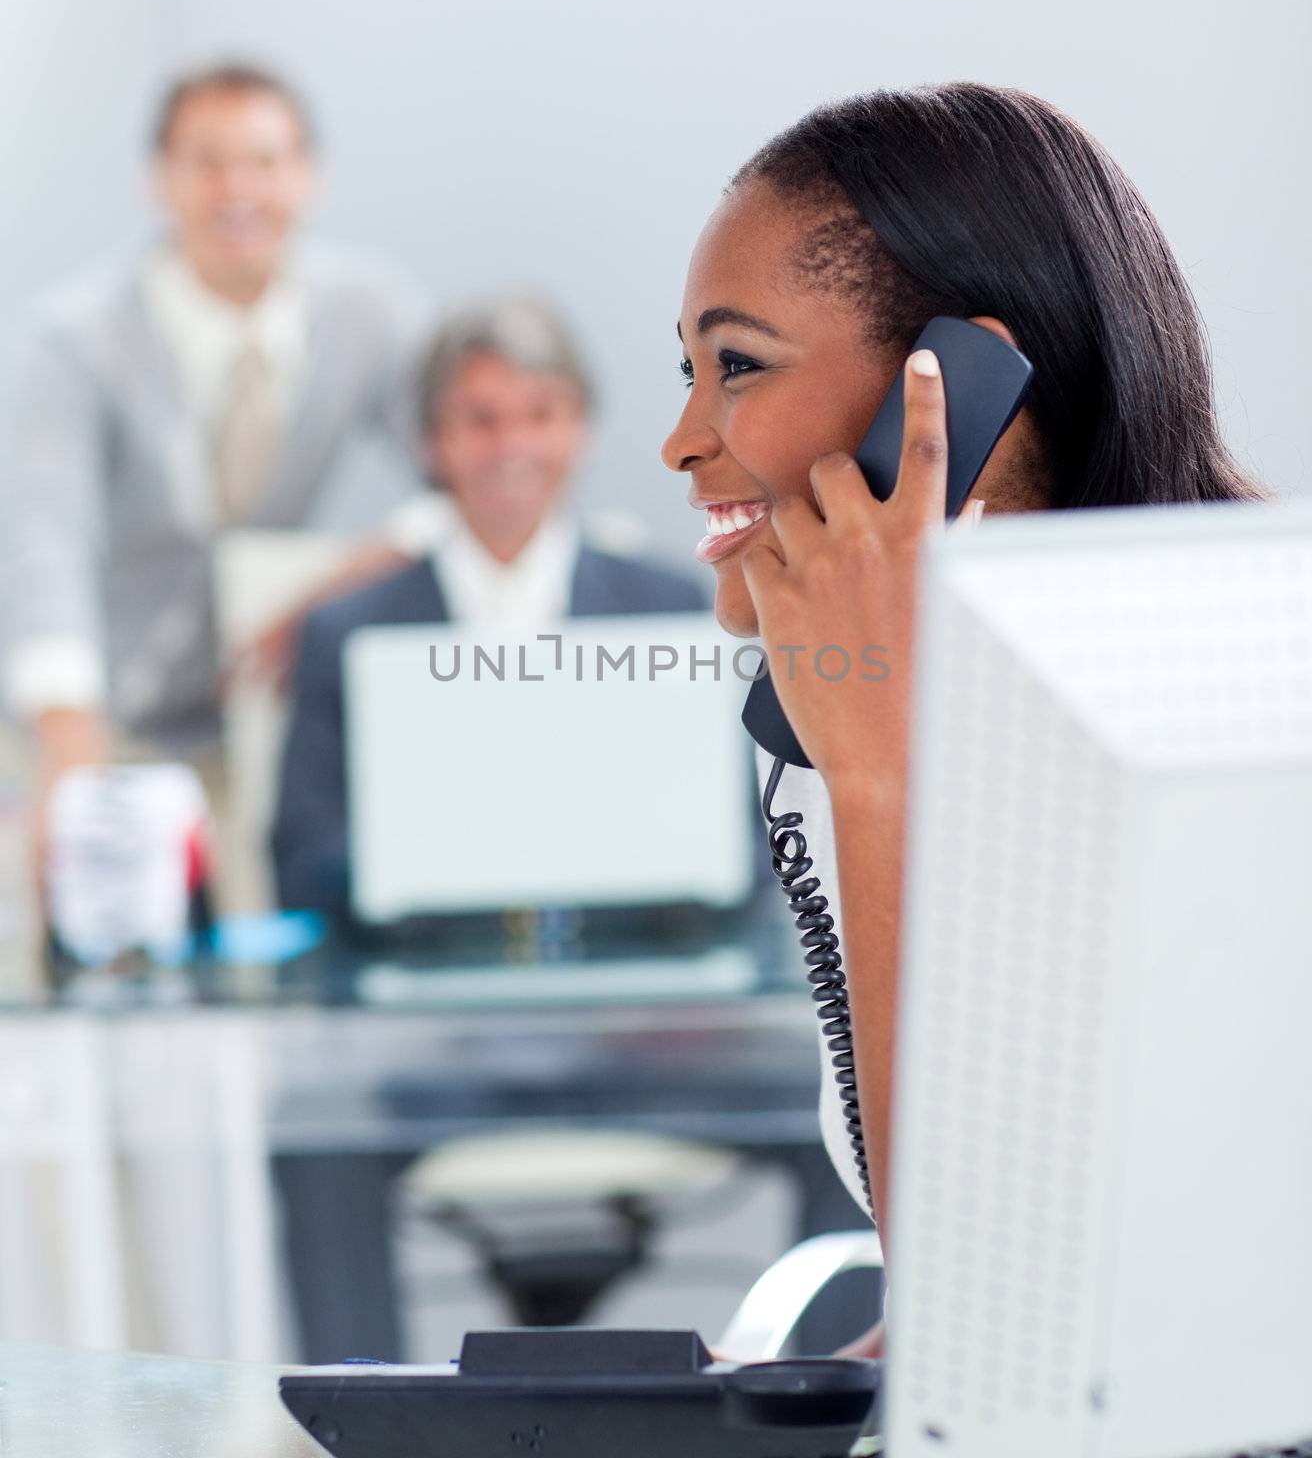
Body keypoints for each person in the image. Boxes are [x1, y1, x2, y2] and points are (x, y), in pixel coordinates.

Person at [661, 81, 1268, 1353]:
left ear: (946, 394)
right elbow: (981, 1297)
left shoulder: (1219, 738)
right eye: (689, 371)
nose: (679, 440)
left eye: (737, 367)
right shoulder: (878, 733)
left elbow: (1009, 1319)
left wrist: (881, 775)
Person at [0, 62, 426, 840]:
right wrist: (67, 732)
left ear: (309, 178)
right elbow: (44, 539)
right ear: (158, 180)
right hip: (91, 713)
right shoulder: (76, 339)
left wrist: (376, 557)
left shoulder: (367, 315)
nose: (237, 190)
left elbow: (461, 468)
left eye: (264, 162)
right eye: (207, 163)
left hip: (248, 721)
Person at [272, 291, 707, 916]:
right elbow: (303, 853)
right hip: (418, 973)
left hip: (626, 975)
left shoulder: (668, 609)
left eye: (541, 414)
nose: (513, 447)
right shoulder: (346, 631)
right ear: (432, 443)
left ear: (583, 430)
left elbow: (728, 832)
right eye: (481, 420)